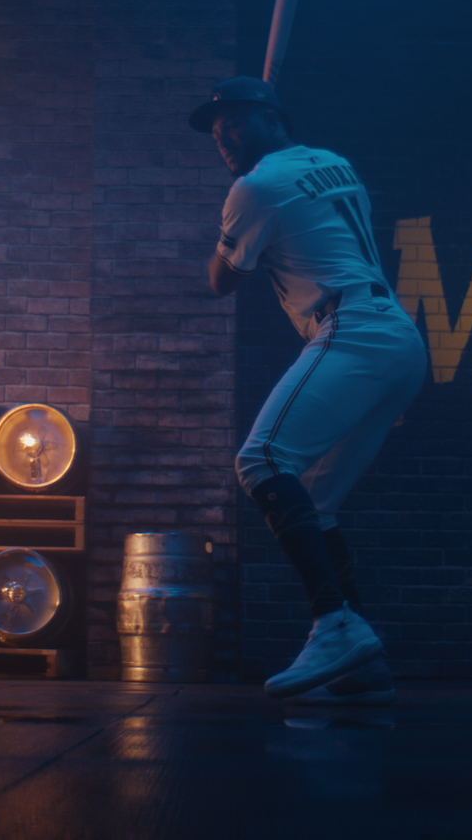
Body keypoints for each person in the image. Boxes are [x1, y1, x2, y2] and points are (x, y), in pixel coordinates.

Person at [192, 76, 427, 705]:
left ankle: (333, 622)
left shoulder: (254, 188)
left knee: (261, 460)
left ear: (272, 118)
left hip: (349, 329)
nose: (224, 139)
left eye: (235, 123)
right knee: (315, 504)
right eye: (216, 133)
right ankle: (359, 660)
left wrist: (230, 217)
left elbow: (220, 281)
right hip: (398, 340)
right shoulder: (332, 162)